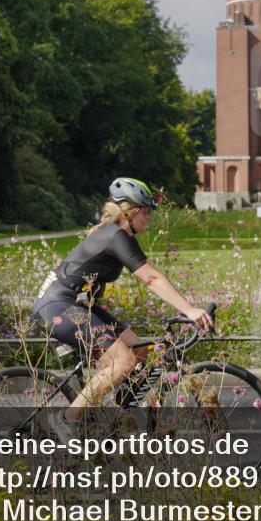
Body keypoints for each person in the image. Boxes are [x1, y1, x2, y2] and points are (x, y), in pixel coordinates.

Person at [30, 178, 213, 442]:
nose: (149, 217)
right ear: (131, 211)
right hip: (58, 306)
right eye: (146, 211)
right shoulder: (116, 236)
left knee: (139, 351)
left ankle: (119, 412)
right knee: (123, 361)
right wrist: (189, 310)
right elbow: (151, 278)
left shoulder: (118, 235)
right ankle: (66, 419)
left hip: (79, 306)